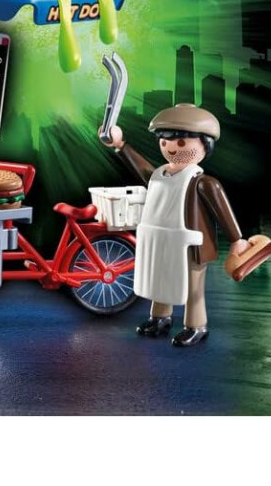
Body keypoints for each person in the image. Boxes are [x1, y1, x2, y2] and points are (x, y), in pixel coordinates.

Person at [100, 103, 250, 347]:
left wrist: (236, 239)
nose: (171, 147)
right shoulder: (159, 174)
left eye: (180, 142)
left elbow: (223, 211)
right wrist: (120, 145)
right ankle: (160, 318)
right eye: (164, 141)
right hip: (161, 239)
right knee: (160, 279)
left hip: (191, 244)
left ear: (205, 144)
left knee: (193, 288)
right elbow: (142, 169)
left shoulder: (203, 182)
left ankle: (196, 326)